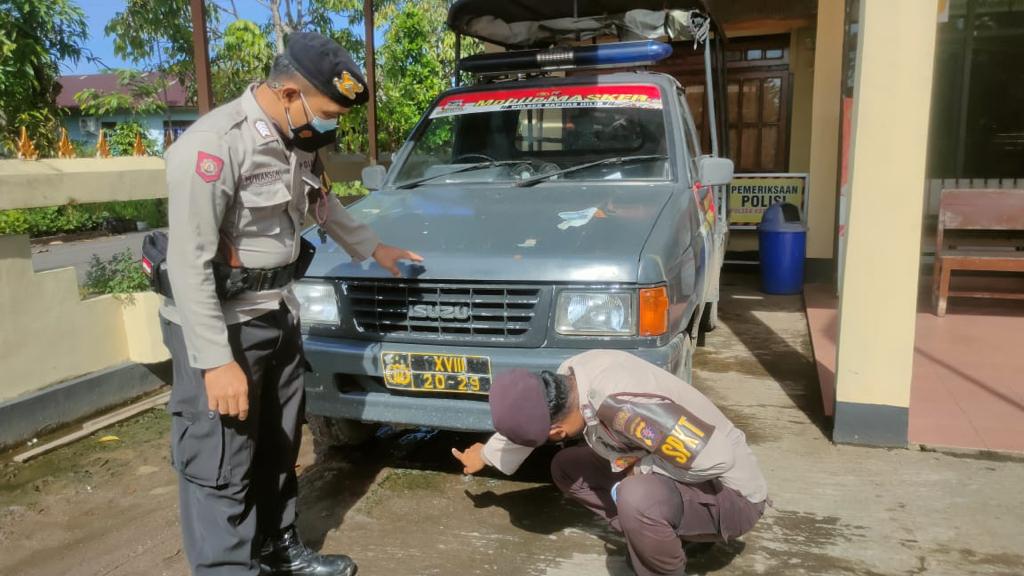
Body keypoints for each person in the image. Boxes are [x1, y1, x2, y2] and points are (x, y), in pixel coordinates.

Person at [160, 32, 421, 576]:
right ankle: (228, 567)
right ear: (287, 94)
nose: (327, 126)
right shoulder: (213, 145)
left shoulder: (294, 139)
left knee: (278, 445)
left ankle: (278, 549)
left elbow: (323, 205)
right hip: (222, 327)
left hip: (278, 312)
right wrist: (215, 360)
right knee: (220, 462)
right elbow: (188, 263)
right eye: (325, 113)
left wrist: (374, 248)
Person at [452, 350, 768, 576]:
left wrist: (641, 470)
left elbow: (717, 458)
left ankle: (662, 563)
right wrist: (486, 454)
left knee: (636, 497)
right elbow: (538, 410)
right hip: (690, 481)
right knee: (566, 466)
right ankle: (661, 537)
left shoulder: (623, 405)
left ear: (558, 431)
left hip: (732, 495)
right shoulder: (572, 375)